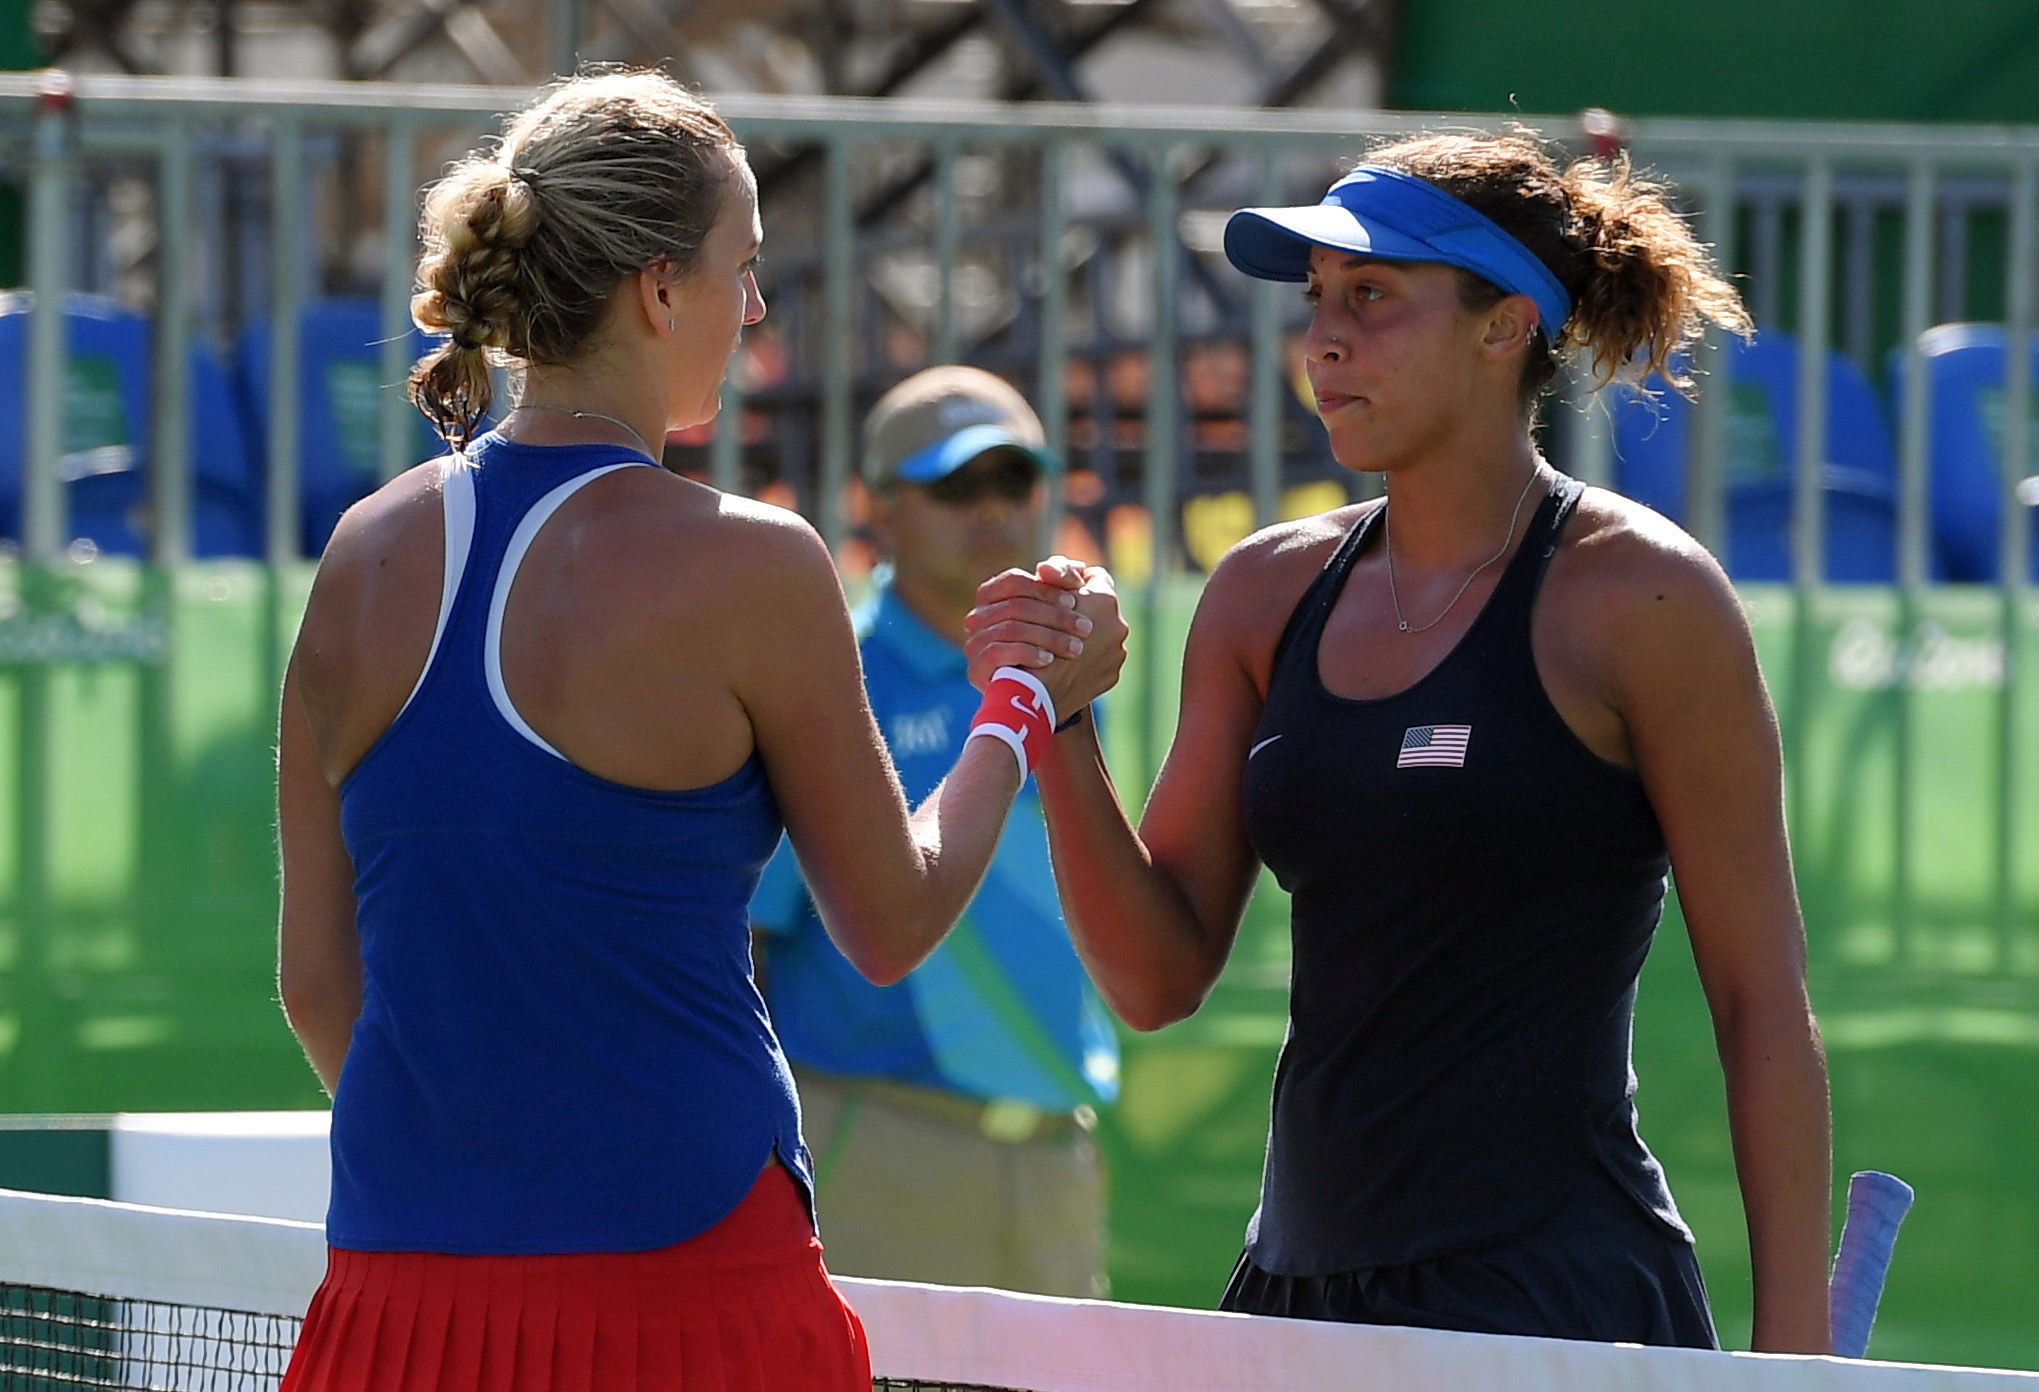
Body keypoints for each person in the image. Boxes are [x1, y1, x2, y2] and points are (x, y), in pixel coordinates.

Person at [273, 70, 1125, 1392]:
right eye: (745, 267)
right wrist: (1022, 701)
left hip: (398, 1288)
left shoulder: (361, 554)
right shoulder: (751, 564)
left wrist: (483, 1171)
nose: (757, 309)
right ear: (658, 290)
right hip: (689, 1293)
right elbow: (886, 922)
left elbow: (321, 990)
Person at [967, 132, 1833, 1352]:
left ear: (1502, 327)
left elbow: (1760, 1002)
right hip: (1295, 1301)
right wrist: (1060, 724)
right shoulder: (1261, 592)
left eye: (1370, 297)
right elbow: (1155, 978)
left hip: (1554, 1308)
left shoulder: (1644, 598)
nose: (1322, 338)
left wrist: (1793, 1360)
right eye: (1316, 300)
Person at [751, 365, 1119, 1297]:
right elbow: (745, 937)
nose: (991, 510)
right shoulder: (830, 666)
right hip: (873, 1141)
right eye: (955, 486)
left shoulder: (1067, 663)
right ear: (879, 505)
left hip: (1054, 1149)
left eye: (1013, 481)